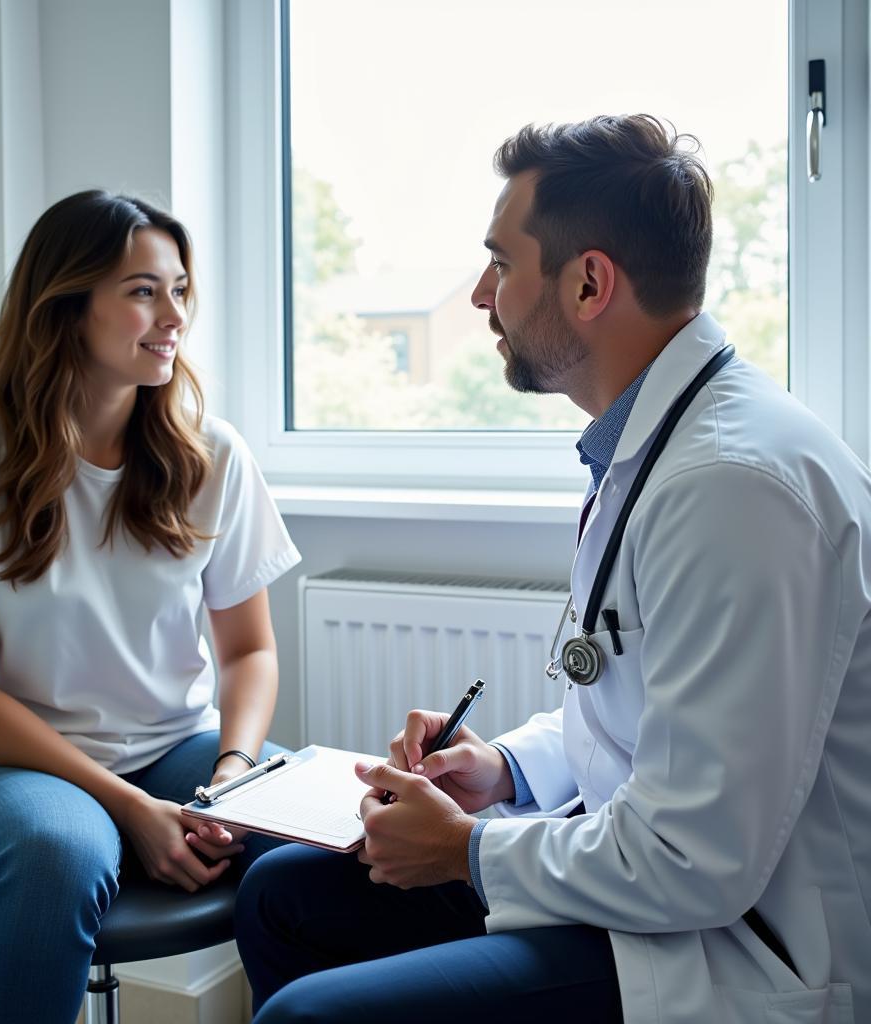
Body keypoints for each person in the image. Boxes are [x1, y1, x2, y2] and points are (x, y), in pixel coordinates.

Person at [234, 114, 871, 1023]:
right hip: (648, 890)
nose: (481, 296)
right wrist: (502, 771)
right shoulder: (658, 443)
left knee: (307, 1015)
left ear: (588, 282)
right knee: (282, 894)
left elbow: (696, 861)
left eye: (500, 263)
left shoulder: (735, 487)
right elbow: (634, 715)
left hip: (738, 948)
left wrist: (466, 852)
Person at [0, 190, 301, 1023]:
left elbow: (250, 653)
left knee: (315, 830)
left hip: (172, 752)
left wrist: (232, 774)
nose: (173, 314)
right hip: (4, 768)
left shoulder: (213, 455)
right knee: (55, 854)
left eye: (180, 289)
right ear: (66, 306)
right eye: (143, 291)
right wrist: (128, 808)